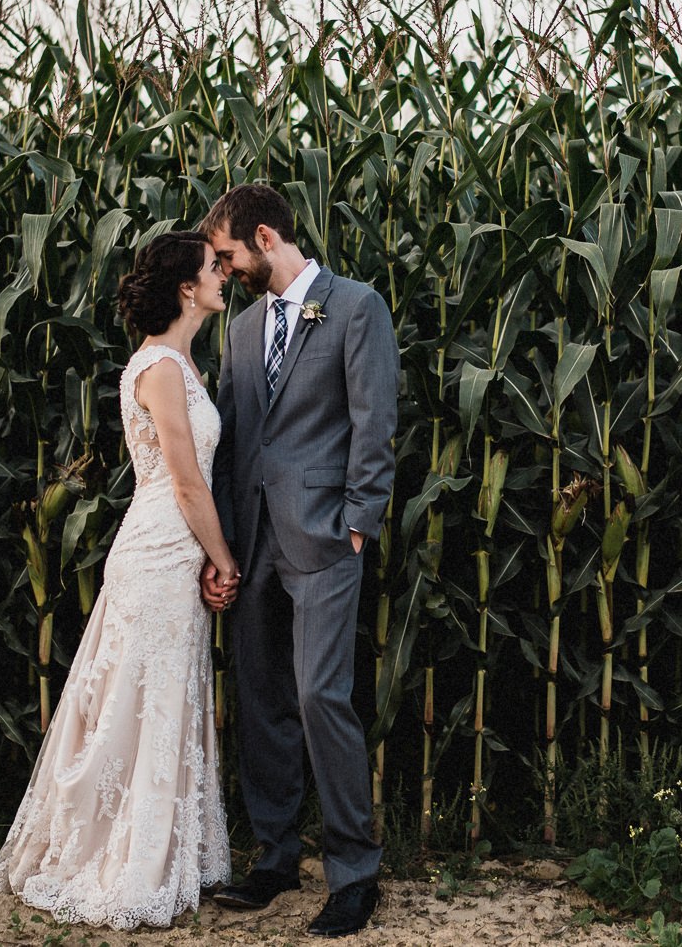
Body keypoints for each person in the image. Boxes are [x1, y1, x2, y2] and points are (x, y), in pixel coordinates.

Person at [0, 231, 235, 929]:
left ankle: (160, 848)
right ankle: (126, 858)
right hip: (160, 549)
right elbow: (186, 484)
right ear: (187, 288)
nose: (224, 276)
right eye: (215, 269)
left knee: (159, 695)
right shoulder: (159, 368)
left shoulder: (182, 366)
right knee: (143, 700)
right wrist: (223, 558)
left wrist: (209, 556)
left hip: (174, 549)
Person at [201, 184, 398, 938]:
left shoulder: (355, 307)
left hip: (324, 539)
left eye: (227, 256)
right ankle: (275, 858)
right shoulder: (243, 330)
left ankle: (355, 871)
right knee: (261, 703)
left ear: (263, 237)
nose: (224, 271)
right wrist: (220, 543)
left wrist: (358, 522)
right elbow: (232, 439)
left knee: (321, 697)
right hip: (252, 540)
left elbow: (374, 421)